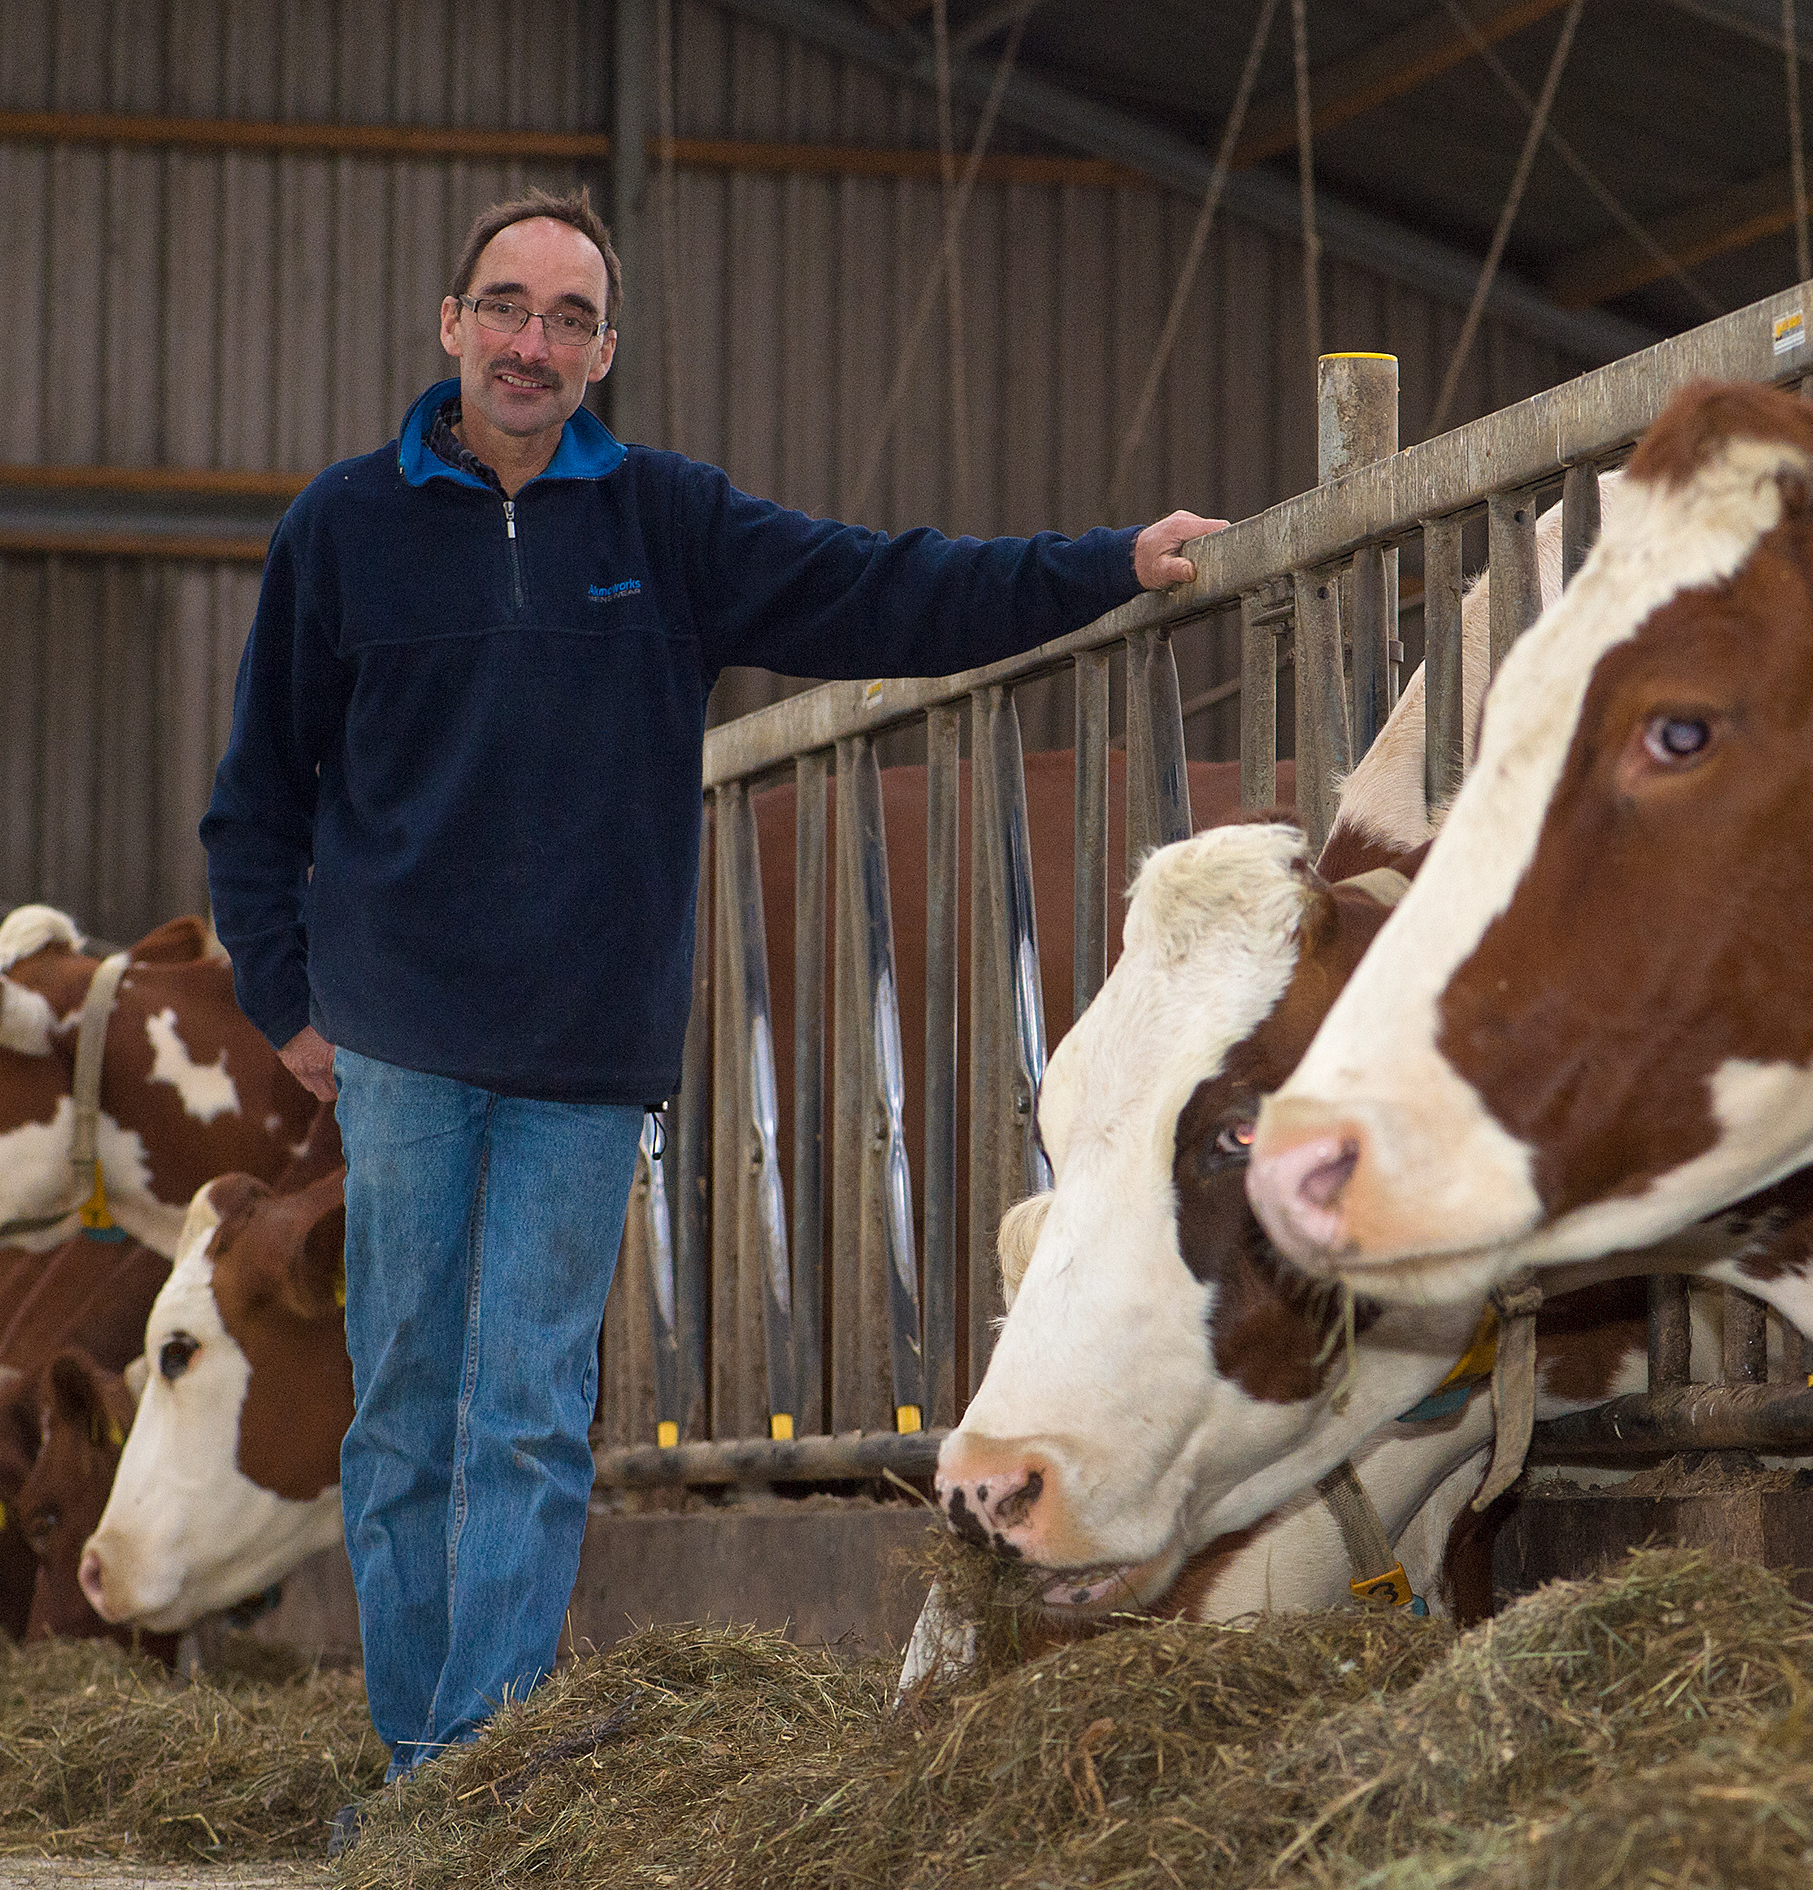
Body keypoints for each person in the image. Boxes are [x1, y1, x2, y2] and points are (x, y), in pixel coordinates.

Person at [200, 186, 1227, 1795]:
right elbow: (256, 794)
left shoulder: (664, 522)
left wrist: (1107, 561)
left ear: (606, 352)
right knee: (403, 1406)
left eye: (567, 318)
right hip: (397, 1040)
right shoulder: (342, 528)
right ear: (448, 326)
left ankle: (470, 1778)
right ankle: (414, 1756)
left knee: (531, 1411)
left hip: (584, 1055)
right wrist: (292, 1006)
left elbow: (886, 587)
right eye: (505, 306)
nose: (530, 342)